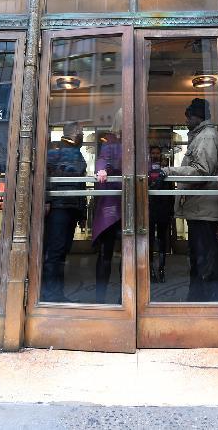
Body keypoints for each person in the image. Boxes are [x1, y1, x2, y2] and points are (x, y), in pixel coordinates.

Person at [159, 98, 218, 302]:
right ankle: (201, 300)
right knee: (203, 257)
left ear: (197, 116)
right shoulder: (202, 136)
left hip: (203, 209)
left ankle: (211, 303)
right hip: (201, 208)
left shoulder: (206, 136)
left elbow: (201, 172)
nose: (186, 120)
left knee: (206, 258)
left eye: (188, 116)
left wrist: (168, 171)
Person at [41, 122, 87, 303]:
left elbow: (81, 184)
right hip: (58, 208)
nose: (82, 134)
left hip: (71, 207)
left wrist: (82, 212)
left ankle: (56, 294)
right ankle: (50, 295)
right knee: (55, 251)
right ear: (74, 133)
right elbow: (44, 176)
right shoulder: (55, 151)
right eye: (81, 131)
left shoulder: (76, 152)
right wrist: (47, 200)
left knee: (62, 251)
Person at [94, 109, 123, 303]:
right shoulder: (110, 141)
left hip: (123, 201)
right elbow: (102, 160)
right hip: (113, 202)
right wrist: (101, 170)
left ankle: (126, 299)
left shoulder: (132, 140)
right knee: (107, 251)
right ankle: (100, 299)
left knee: (126, 252)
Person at [148, 145, 174, 283]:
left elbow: (171, 190)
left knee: (162, 240)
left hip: (163, 209)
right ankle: (151, 269)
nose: (155, 155)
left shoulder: (166, 169)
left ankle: (161, 269)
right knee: (150, 240)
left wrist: (171, 210)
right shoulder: (145, 169)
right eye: (153, 153)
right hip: (149, 209)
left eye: (157, 153)